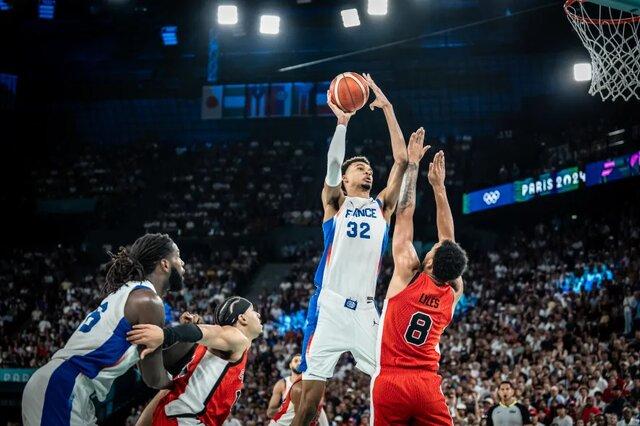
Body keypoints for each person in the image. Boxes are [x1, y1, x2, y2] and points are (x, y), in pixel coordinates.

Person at [293, 74, 409, 425]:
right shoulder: (336, 203)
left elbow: (402, 162)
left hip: (366, 310)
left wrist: (388, 108)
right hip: (329, 306)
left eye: (370, 169)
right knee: (309, 404)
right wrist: (342, 123)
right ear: (345, 179)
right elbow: (332, 166)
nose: (368, 172)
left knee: (391, 383)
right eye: (360, 168)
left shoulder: (382, 207)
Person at [22, 233, 185, 426]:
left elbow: (152, 360)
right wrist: (184, 383)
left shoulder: (132, 293)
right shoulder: (149, 301)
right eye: (178, 256)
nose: (182, 263)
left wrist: (192, 334)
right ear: (165, 264)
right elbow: (153, 377)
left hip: (65, 387)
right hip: (63, 388)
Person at [370, 132, 468, 425]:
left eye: (433, 249)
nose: (433, 245)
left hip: (391, 380)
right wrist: (439, 188)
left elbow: (404, 213)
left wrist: (413, 165)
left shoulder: (407, 273)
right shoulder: (453, 292)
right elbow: (449, 243)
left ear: (430, 261)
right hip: (427, 383)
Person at [127, 296, 263, 426]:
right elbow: (199, 331)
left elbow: (170, 393)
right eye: (253, 311)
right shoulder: (237, 337)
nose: (258, 314)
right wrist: (164, 335)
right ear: (242, 318)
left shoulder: (210, 352)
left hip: (173, 414)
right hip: (185, 420)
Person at [268, 354, 303, 418]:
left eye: (301, 361)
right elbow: (270, 412)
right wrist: (285, 408)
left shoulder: (311, 383)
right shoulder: (282, 384)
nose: (299, 363)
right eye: (296, 361)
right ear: (290, 365)